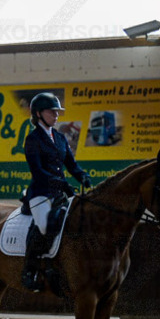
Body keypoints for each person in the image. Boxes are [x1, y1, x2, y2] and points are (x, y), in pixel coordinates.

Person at [20, 92, 92, 291]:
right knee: (45, 226)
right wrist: (61, 183)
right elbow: (38, 171)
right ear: (38, 113)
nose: (56, 115)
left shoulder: (60, 137)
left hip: (59, 192)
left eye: (57, 111)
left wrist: (81, 176)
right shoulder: (33, 139)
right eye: (52, 111)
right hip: (41, 193)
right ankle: (30, 270)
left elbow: (71, 164)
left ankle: (61, 268)